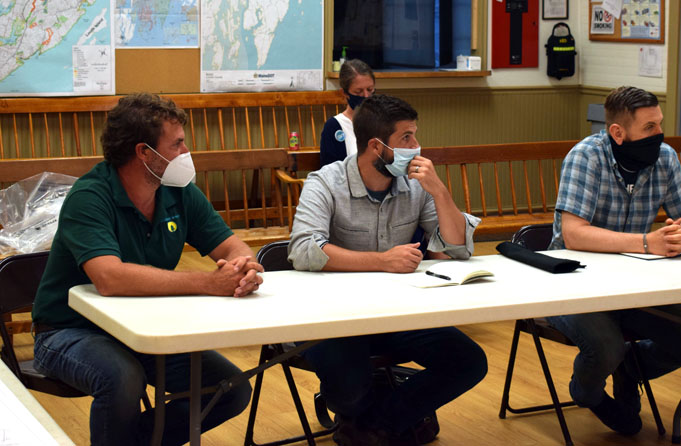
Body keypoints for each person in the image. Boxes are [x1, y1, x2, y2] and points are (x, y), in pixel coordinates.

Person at [31, 93, 261, 446]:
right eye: (178, 144)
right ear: (143, 153)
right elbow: (109, 278)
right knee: (123, 378)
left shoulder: (178, 191)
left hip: (144, 328)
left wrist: (244, 264)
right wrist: (208, 282)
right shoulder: (90, 196)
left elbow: (230, 244)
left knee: (229, 388)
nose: (186, 153)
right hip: (68, 330)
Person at [288, 94, 487, 446]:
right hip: (333, 319)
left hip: (397, 314)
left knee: (469, 361)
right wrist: (380, 261)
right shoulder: (325, 182)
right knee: (347, 393)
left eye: (415, 136)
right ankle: (385, 413)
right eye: (406, 138)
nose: (416, 146)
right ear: (377, 147)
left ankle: (375, 425)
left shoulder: (416, 185)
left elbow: (458, 247)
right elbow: (304, 249)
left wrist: (439, 191)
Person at [547, 86, 681, 436]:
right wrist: (647, 242)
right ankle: (587, 393)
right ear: (618, 133)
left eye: (659, 125)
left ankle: (633, 368)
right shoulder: (586, 157)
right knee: (606, 348)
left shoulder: (665, 157)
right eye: (649, 128)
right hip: (572, 283)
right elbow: (574, 234)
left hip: (635, 281)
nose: (660, 134)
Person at [320, 59, 376, 168]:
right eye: (358, 92)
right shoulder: (334, 127)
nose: (366, 96)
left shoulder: (385, 121)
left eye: (370, 89)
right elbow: (329, 172)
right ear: (344, 93)